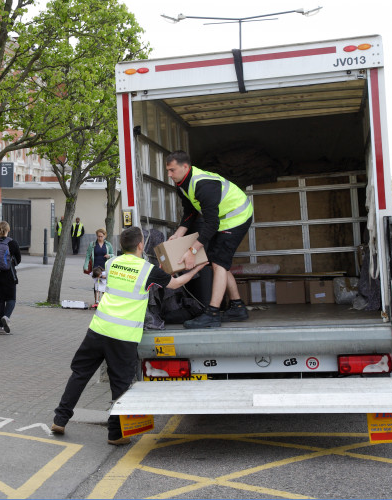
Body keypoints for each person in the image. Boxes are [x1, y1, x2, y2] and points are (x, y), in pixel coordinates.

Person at [52, 226, 205, 445]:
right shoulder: (147, 270)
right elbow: (175, 283)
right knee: (120, 385)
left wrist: (161, 272)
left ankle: (60, 418)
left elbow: (142, 278)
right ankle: (115, 434)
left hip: (98, 330)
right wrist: (196, 268)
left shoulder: (111, 262)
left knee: (80, 374)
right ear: (141, 245)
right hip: (123, 337)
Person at [165, 150, 253, 328]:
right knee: (217, 260)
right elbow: (190, 213)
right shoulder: (182, 183)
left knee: (219, 263)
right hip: (223, 220)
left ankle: (212, 313)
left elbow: (211, 225)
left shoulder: (203, 185)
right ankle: (237, 306)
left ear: (185, 167)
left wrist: (192, 251)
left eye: (172, 170)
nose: (169, 174)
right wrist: (179, 234)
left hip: (237, 217)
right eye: (168, 170)